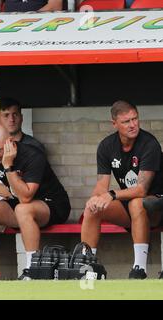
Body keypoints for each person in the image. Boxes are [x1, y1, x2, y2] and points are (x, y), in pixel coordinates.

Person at [81, 100, 163, 279]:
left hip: (157, 205)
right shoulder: (106, 146)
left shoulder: (150, 144)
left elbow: (141, 190)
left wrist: (111, 194)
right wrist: (95, 198)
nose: (133, 125)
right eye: (126, 121)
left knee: (136, 203)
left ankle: (139, 270)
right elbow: (102, 184)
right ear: (114, 124)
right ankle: (87, 268)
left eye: (135, 119)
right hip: (133, 206)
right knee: (91, 209)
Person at [0, 123, 70, 280]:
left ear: (10, 142)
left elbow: (26, 197)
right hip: (20, 206)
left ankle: (32, 269)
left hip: (52, 204)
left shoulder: (32, 155)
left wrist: (8, 167)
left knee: (23, 209)